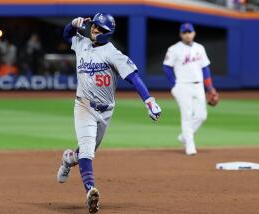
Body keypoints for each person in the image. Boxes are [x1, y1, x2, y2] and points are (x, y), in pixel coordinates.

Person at [56, 13, 162, 214]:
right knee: (87, 151)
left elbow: (134, 78)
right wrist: (72, 23)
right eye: (94, 26)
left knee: (83, 153)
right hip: (83, 106)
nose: (95, 30)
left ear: (108, 33)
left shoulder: (113, 54)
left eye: (100, 29)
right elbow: (67, 34)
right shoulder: (82, 43)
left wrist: (149, 101)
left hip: (106, 111)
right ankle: (91, 192)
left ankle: (68, 159)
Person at [163, 22, 219, 156]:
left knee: (202, 115)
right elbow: (167, 67)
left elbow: (205, 68)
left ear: (194, 33)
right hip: (182, 85)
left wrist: (210, 87)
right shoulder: (174, 49)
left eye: (189, 32)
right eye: (185, 32)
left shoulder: (200, 48)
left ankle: (185, 136)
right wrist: (174, 84)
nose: (187, 34)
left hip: (198, 85)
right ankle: (190, 145)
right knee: (187, 115)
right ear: (181, 34)